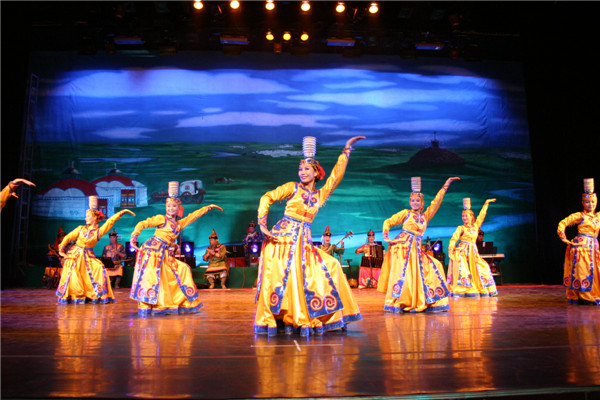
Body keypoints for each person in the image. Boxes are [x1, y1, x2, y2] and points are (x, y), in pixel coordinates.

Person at [254, 135, 364, 336]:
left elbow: (336, 177)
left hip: (303, 243)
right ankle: (286, 317)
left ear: (316, 173)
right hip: (282, 241)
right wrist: (262, 224)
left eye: (307, 169)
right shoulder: (292, 188)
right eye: (300, 169)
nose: (302, 173)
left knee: (331, 265)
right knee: (287, 279)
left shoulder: (319, 195)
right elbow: (267, 197)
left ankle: (322, 315)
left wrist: (346, 150)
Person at [130, 181, 223, 316]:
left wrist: (208, 207)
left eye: (174, 206)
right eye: (168, 206)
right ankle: (151, 304)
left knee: (183, 268)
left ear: (178, 208)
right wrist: (134, 236)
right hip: (152, 251)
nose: (171, 209)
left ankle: (182, 301)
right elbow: (143, 223)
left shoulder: (179, 224)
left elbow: (193, 216)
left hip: (164, 253)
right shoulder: (161, 219)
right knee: (153, 278)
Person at [377, 176, 460, 313]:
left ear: (422, 203)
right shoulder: (406, 213)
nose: (415, 203)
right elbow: (388, 221)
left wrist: (446, 185)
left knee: (435, 265)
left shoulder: (425, 216)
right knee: (405, 274)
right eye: (413, 200)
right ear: (410, 202)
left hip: (417, 249)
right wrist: (387, 236)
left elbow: (436, 203)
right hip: (403, 248)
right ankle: (402, 300)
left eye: (418, 201)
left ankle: (423, 298)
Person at [56, 196, 135, 304]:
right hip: (75, 254)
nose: (86, 218)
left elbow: (110, 221)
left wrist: (122, 212)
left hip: (88, 256)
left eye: (88, 216)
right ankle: (76, 296)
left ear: (94, 218)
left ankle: (94, 294)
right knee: (74, 272)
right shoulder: (80, 229)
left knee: (99, 267)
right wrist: (61, 250)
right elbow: (67, 237)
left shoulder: (98, 232)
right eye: (86, 216)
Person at [557, 178, 599, 305]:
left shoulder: (598, 216)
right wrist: (564, 238)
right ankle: (584, 296)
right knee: (582, 272)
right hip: (581, 249)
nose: (590, 204)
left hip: (594, 248)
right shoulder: (580, 216)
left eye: (593, 202)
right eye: (587, 202)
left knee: (595, 271)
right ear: (582, 203)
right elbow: (563, 223)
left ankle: (593, 294)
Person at [446, 198, 498, 297]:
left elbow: (481, 216)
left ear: (471, 217)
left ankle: (480, 287)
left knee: (483, 267)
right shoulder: (461, 228)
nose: (464, 218)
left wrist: (486, 203)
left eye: (466, 216)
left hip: (473, 252)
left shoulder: (475, 227)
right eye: (463, 216)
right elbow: (453, 239)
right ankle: (463, 289)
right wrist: (451, 249)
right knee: (464, 271)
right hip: (462, 252)